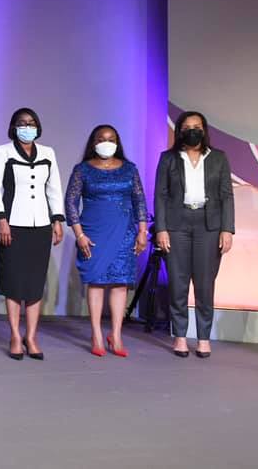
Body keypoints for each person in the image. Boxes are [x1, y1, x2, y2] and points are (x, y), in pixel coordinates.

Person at [154, 111, 234, 358]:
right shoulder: (168, 158)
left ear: (204, 130)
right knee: (178, 282)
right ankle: (180, 336)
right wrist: (161, 229)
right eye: (187, 127)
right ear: (180, 131)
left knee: (205, 284)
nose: (192, 131)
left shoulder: (218, 158)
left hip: (208, 225)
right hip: (177, 224)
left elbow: (226, 195)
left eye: (197, 126)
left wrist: (227, 229)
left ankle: (203, 338)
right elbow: (161, 195)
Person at [0, 107, 65, 361]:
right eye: (22, 123)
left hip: (40, 225)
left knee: (34, 283)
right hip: (12, 224)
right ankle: (14, 335)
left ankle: (31, 337)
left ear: (38, 126)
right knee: (13, 282)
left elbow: (54, 188)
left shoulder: (48, 153)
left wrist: (57, 219)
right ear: (13, 127)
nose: (27, 127)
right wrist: (1, 220)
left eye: (31, 123)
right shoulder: (2, 152)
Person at [65, 125, 148, 358]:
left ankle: (117, 335)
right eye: (101, 139)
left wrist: (142, 231)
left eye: (111, 139)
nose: (106, 142)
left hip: (124, 232)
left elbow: (140, 200)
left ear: (117, 142)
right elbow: (71, 202)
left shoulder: (130, 169)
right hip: (93, 233)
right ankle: (97, 335)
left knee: (120, 283)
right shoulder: (82, 170)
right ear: (93, 143)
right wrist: (79, 235)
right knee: (97, 282)